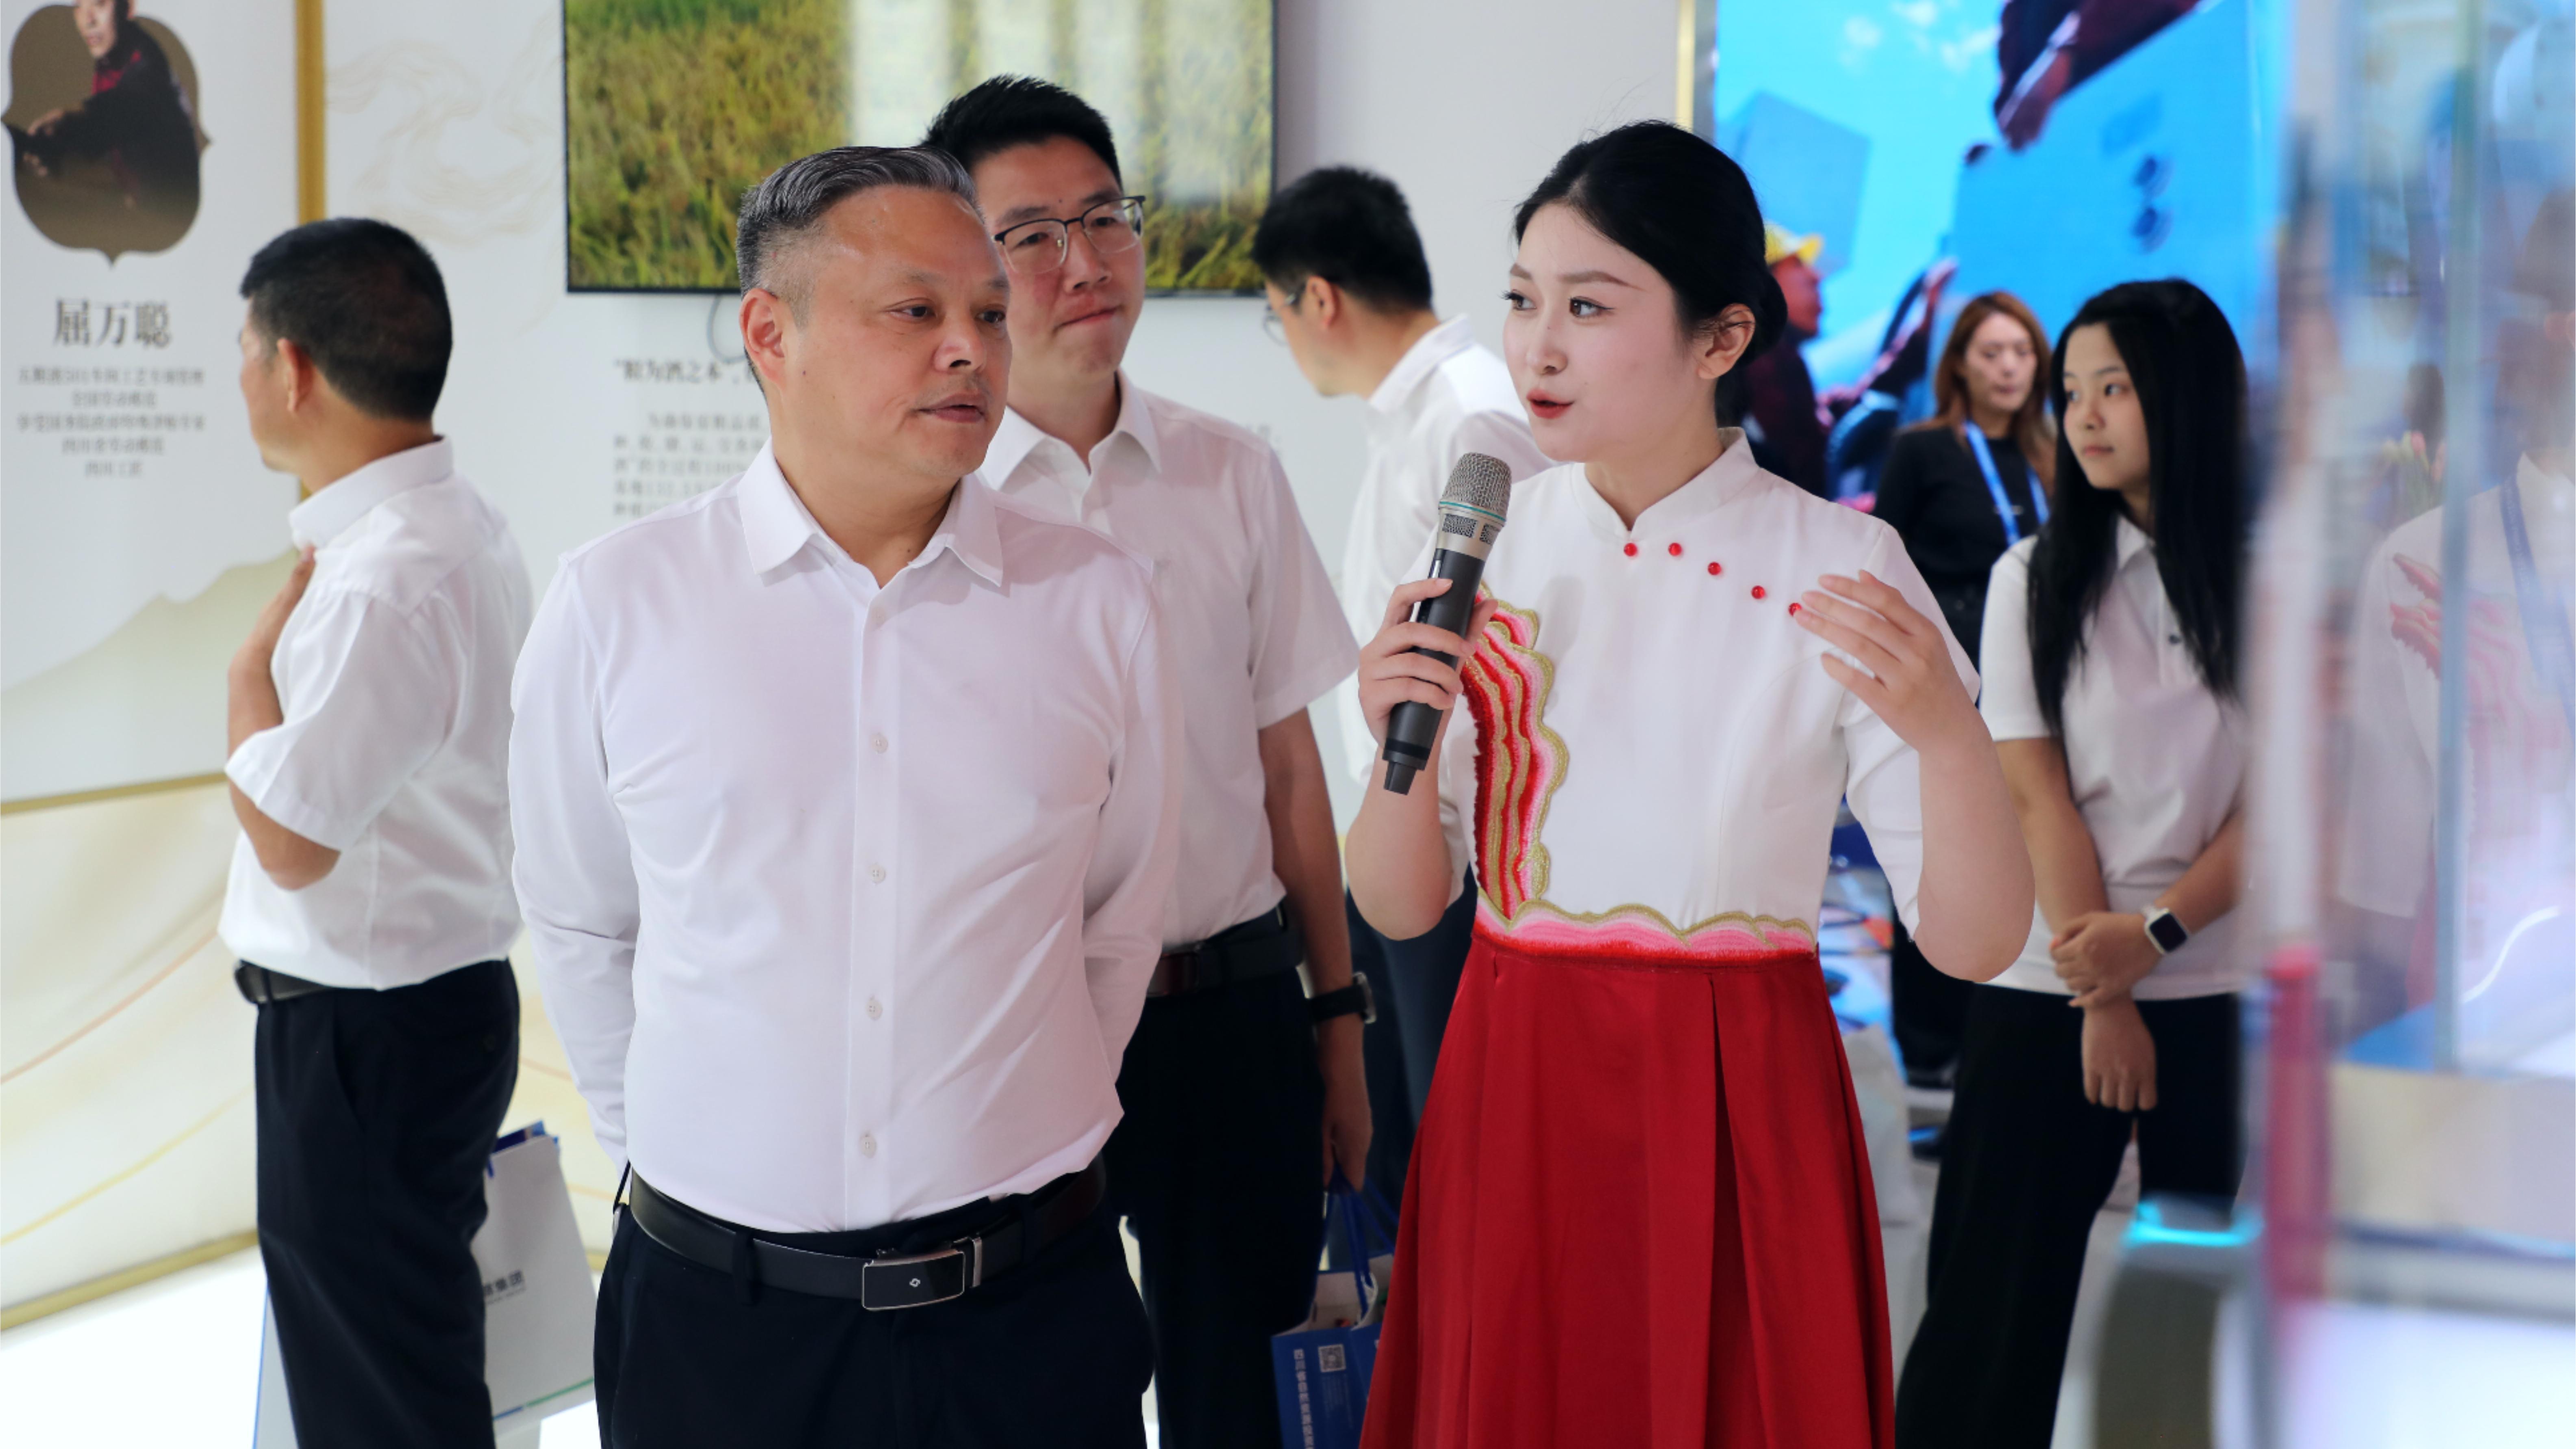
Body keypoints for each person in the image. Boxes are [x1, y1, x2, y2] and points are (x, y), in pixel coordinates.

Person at [1348, 121, 2035, 1449]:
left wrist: (1951, 741)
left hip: (1739, 1095)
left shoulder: (1842, 565)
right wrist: (1394, 747)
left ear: (1720, 339)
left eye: (1588, 306)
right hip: (1511, 1081)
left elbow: (1973, 938)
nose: (1537, 347)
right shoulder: (1483, 551)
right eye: (1523, 300)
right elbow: (1399, 902)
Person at [511, 146, 1180, 1448]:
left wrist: (1003, 1128)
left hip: (1028, 1311)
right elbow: (583, 920)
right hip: (723, 1326)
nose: (970, 350)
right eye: (915, 311)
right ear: (773, 334)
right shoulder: (619, 602)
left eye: (988, 313)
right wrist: (704, 1160)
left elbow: (1118, 919)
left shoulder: (1097, 601)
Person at [922, 79, 1367, 1449]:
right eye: (1031, 235)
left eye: (1104, 217)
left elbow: (1288, 771)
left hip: (1229, 1013)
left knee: (1244, 1395)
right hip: (1022, 1020)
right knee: (1042, 1394)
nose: (1084, 262)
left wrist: (1337, 1022)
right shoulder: (931, 502)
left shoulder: (1230, 472)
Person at [1894, 280, 2253, 1449]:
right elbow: (2033, 788)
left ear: (2189, 399)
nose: (2084, 415)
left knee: (2184, 1323)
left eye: (2116, 387)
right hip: (2047, 981)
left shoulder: (2273, 582)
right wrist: (2103, 989)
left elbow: (2275, 809)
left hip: (2204, 980)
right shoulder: (2033, 576)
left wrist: (2156, 938)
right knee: (1989, 1320)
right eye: (2074, 389)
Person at [220, 218, 533, 1448]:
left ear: (294, 368)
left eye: (245, 350)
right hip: (419, 1016)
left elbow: (291, 843)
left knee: (380, 1396)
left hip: (367, 1040)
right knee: (401, 1363)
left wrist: (245, 677)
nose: (241, 378)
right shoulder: (456, 524)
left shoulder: (385, 574)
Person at [1250, 164, 1549, 1139]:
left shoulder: (1471, 413)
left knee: (1452, 1132)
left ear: (1317, 300)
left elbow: (1527, 643)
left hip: (1456, 847)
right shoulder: (1419, 414)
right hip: (1399, 825)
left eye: (1276, 315)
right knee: (1394, 1133)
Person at [1870, 289, 2058, 1089]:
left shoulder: (2053, 455)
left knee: (2027, 855)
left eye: (2021, 352)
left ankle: (2003, 1027)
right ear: (1960, 366)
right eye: (1991, 352)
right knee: (1933, 854)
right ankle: (1927, 1044)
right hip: (1950, 686)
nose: (2008, 367)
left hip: (2038, 686)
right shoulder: (1922, 451)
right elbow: (1883, 565)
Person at [11, 0, 199, 211]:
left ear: (128, 7)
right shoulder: (110, 61)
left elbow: (126, 105)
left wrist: (68, 121)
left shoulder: (149, 64)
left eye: (99, 3)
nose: (87, 20)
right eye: (78, 6)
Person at [1733, 222, 1832, 497]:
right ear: (1763, 283)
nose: (1816, 276)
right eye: (1797, 264)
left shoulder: (1775, 360)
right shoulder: (1761, 364)